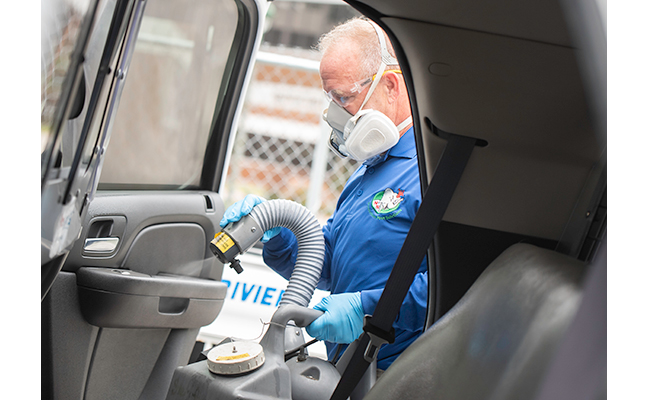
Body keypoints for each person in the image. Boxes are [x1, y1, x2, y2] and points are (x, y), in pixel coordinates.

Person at [220, 17, 427, 371]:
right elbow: (326, 260)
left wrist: (367, 307)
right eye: (329, 97)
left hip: (404, 372)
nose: (334, 113)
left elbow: (451, 286)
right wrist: (279, 235)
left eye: (344, 97)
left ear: (391, 86)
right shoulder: (371, 167)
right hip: (350, 368)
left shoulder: (428, 172)